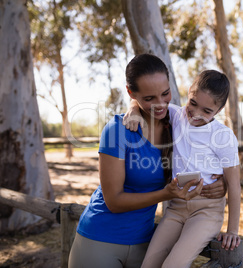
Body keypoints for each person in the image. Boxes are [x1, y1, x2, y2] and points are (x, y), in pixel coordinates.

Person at [68, 54, 226, 268]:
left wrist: (221, 182)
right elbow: (113, 201)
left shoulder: (179, 123)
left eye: (165, 93)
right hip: (100, 239)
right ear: (132, 93)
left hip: (145, 243)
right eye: (149, 98)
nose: (160, 104)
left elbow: (215, 151)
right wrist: (166, 194)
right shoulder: (118, 131)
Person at [126, 70, 241, 268]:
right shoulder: (176, 114)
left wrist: (232, 230)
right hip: (176, 209)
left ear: (219, 110)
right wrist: (133, 110)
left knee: (174, 265)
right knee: (148, 265)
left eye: (207, 111)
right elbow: (143, 101)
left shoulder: (223, 135)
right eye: (193, 103)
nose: (196, 114)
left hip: (207, 211)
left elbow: (234, 184)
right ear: (189, 92)